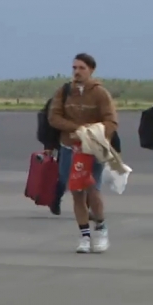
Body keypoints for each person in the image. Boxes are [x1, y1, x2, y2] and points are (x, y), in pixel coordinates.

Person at [47, 52, 116, 254]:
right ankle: (84, 236)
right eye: (74, 68)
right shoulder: (64, 91)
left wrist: (93, 132)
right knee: (76, 192)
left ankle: (101, 229)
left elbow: (111, 121)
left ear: (91, 70)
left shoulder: (100, 93)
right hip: (69, 148)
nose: (76, 72)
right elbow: (54, 117)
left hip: (92, 150)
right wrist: (77, 129)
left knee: (92, 191)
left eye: (81, 68)